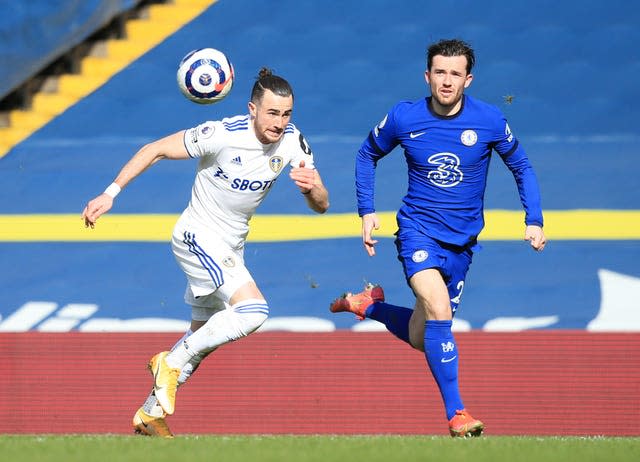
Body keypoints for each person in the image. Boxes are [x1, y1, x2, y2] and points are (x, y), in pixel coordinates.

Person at [82, 68, 330, 437]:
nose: (279, 123)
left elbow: (322, 204)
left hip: (231, 246)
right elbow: (155, 150)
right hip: (197, 236)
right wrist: (110, 193)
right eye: (272, 113)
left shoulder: (294, 143)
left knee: (201, 339)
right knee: (253, 311)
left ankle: (149, 415)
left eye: (286, 114)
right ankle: (168, 361)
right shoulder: (220, 134)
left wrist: (312, 190)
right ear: (252, 109)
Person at [330, 39, 546, 437]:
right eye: (440, 73)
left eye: (455, 74)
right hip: (417, 232)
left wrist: (533, 218)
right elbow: (366, 154)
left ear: (468, 79)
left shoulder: (490, 120)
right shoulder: (404, 117)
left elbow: (521, 165)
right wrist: (367, 210)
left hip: (461, 246)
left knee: (420, 335)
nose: (447, 81)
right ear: (427, 76)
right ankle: (457, 413)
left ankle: (369, 307)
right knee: (440, 311)